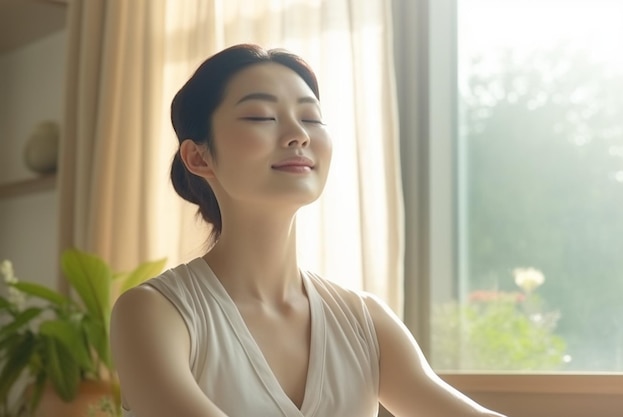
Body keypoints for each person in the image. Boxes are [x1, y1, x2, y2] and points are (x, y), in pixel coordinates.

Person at [110, 43, 507, 417]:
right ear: (198, 157)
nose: (298, 134)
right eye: (261, 117)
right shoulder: (155, 313)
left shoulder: (363, 320)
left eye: (311, 118)